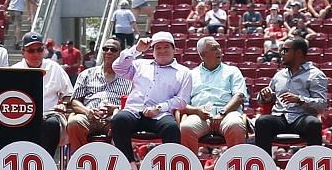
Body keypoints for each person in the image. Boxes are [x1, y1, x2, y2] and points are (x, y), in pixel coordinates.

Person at [109, 31, 193, 160]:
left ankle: (169, 167)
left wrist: (159, 108)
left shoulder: (184, 72)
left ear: (174, 49)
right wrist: (136, 49)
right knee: (118, 120)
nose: (162, 51)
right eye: (158, 48)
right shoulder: (140, 64)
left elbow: (182, 100)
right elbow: (118, 67)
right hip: (134, 111)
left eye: (166, 47)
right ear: (152, 51)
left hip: (160, 114)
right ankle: (129, 164)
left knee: (171, 128)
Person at [253, 36, 329, 148]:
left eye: (285, 50)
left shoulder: (316, 75)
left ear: (298, 53)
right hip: (280, 117)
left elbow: (321, 105)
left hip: (301, 118)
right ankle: (265, 163)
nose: (281, 53)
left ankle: (314, 161)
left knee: (314, 124)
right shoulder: (279, 75)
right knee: (262, 122)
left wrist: (299, 100)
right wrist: (265, 96)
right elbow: (262, 100)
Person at [179, 36, 249, 148]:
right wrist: (197, 110)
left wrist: (222, 113)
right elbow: (181, 103)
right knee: (186, 128)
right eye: (213, 49)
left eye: (219, 48)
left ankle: (236, 164)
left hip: (227, 114)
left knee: (236, 125)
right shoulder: (191, 75)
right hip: (200, 116)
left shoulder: (232, 71)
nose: (219, 51)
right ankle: (191, 165)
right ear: (202, 55)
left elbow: (239, 96)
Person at [64, 40, 133, 151]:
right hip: (89, 116)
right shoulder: (86, 74)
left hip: (114, 118)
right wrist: (87, 111)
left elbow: (133, 104)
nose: (108, 52)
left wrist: (116, 109)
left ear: (120, 53)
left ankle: (120, 163)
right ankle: (81, 160)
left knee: (121, 123)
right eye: (105, 49)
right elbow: (75, 101)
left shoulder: (129, 77)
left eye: (113, 49)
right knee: (74, 123)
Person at [11, 33, 72, 155]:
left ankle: (46, 162)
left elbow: (68, 94)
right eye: (31, 50)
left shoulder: (54, 67)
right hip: (21, 116)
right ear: (23, 52)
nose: (36, 54)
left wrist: (64, 104)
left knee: (51, 124)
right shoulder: (14, 70)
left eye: (39, 50)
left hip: (49, 114)